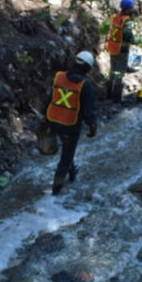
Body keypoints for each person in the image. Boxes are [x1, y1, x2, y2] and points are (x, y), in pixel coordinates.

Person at [45, 51, 98, 195]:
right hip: (70, 125)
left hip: (54, 120)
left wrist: (45, 121)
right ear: (88, 68)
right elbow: (89, 112)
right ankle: (56, 187)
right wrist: (93, 128)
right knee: (66, 155)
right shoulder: (85, 85)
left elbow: (50, 99)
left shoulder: (59, 77)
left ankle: (72, 170)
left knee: (68, 150)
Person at [105, 0, 141, 102]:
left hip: (112, 47)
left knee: (112, 71)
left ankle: (109, 94)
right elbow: (128, 36)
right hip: (122, 49)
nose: (133, 9)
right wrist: (139, 41)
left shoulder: (115, 17)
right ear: (127, 9)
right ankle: (116, 98)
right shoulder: (127, 21)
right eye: (131, 8)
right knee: (120, 73)